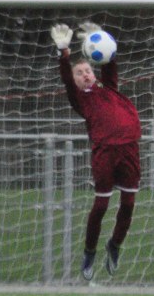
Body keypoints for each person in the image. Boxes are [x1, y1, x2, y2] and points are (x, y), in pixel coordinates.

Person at [51, 22, 142, 281]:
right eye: (80, 73)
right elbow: (67, 79)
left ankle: (114, 245)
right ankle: (89, 251)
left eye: (88, 70)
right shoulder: (80, 98)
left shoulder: (108, 87)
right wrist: (64, 52)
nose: (86, 74)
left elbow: (110, 60)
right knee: (101, 205)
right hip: (104, 152)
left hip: (129, 149)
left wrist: (99, 36)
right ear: (76, 80)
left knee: (129, 203)